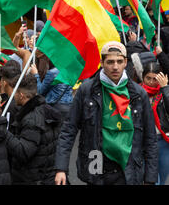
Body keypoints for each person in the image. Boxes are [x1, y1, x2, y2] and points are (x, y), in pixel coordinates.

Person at [55, 41, 158, 185]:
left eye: (119, 61)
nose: (115, 67)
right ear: (102, 63)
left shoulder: (139, 94)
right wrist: (61, 168)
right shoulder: (87, 90)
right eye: (110, 62)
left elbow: (150, 139)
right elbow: (69, 129)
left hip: (128, 168)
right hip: (96, 164)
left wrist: (150, 178)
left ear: (125, 62)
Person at [2, 73, 62, 184]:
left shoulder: (31, 119)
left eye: (15, 93)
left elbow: (23, 152)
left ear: (21, 95)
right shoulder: (44, 109)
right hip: (44, 174)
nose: (13, 96)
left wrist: (3, 132)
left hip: (33, 178)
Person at [138, 62, 169, 185]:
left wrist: (165, 88)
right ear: (143, 77)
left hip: (163, 142)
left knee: (162, 178)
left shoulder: (165, 91)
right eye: (148, 78)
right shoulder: (136, 91)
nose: (151, 82)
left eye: (155, 79)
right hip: (143, 142)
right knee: (151, 180)